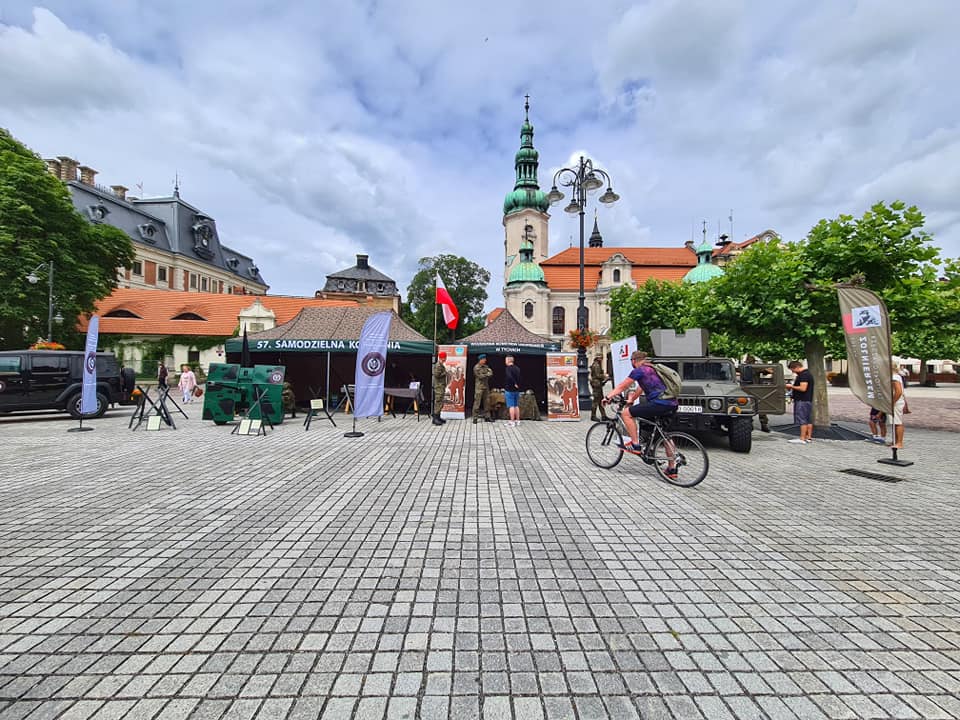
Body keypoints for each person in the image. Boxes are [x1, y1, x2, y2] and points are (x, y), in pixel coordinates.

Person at [604, 350, 680, 479]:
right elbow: (642, 387)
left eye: (632, 361)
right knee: (665, 435)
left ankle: (636, 445)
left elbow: (623, 385)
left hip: (659, 404)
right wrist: (632, 399)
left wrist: (608, 396)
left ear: (634, 361)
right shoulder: (653, 368)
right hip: (672, 403)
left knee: (626, 414)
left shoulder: (639, 370)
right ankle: (672, 469)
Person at [787, 360, 813, 444]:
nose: (793, 372)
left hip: (802, 400)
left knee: (802, 419)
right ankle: (808, 437)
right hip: (807, 400)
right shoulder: (808, 373)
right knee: (808, 419)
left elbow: (803, 388)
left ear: (797, 367)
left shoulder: (803, 375)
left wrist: (791, 386)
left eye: (792, 370)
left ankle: (802, 438)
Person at [472, 354, 494, 423]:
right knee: (477, 402)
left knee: (487, 402)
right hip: (479, 387)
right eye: (484, 359)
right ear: (480, 360)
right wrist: (487, 374)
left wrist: (487, 374)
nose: (485, 360)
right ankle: (475, 417)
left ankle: (487, 416)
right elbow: (480, 376)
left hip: (486, 387)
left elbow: (491, 373)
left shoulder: (486, 366)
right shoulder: (476, 367)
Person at [891, 366, 907, 449]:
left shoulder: (894, 377)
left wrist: (893, 402)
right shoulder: (897, 376)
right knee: (895, 422)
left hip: (896, 402)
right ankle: (896, 441)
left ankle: (899, 442)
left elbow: (899, 391)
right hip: (898, 401)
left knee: (897, 423)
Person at [504, 356, 521, 427]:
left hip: (509, 389)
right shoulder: (517, 368)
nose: (505, 361)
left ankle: (512, 422)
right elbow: (520, 378)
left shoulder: (508, 369)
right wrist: (518, 384)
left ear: (508, 361)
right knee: (516, 405)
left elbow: (509, 377)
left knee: (511, 406)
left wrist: (514, 383)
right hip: (517, 390)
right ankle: (518, 420)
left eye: (505, 360)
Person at [432, 352, 448, 426]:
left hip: (441, 386)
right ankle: (435, 419)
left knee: (440, 402)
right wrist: (445, 373)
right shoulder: (438, 365)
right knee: (438, 402)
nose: (446, 358)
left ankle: (438, 417)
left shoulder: (441, 365)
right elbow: (436, 374)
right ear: (443, 357)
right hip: (439, 386)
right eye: (445, 357)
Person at [590, 356, 607, 422]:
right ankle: (593, 416)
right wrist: (604, 376)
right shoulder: (596, 365)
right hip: (596, 384)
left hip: (598, 384)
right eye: (600, 358)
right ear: (597, 358)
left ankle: (604, 416)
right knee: (596, 401)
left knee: (600, 400)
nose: (601, 359)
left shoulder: (596, 364)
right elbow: (597, 375)